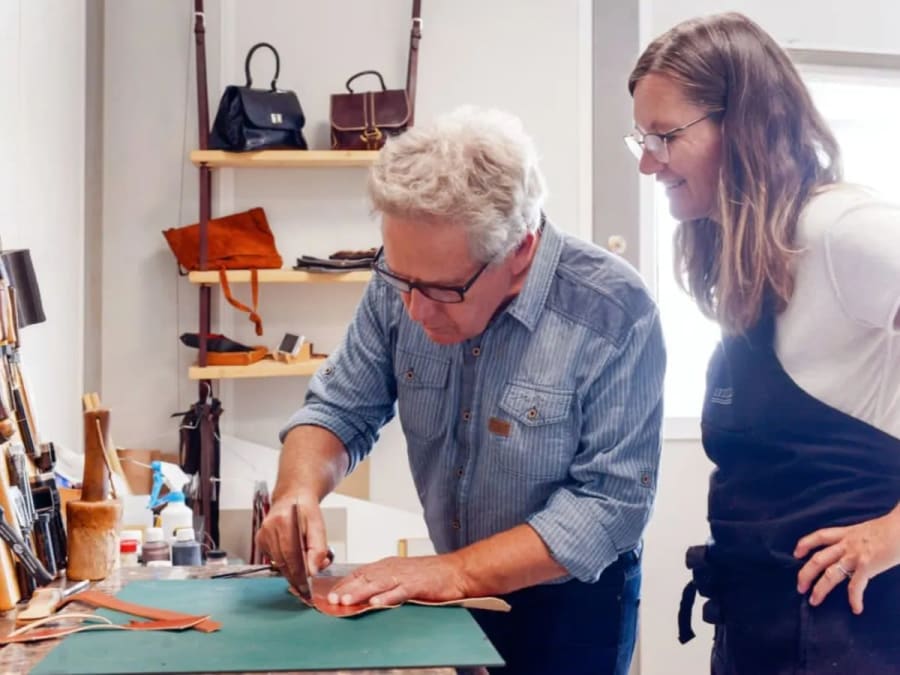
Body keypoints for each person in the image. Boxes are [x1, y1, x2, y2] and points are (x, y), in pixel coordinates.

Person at [256, 107, 665, 675]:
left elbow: (611, 504)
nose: (415, 310)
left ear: (519, 251)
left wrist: (453, 571)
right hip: (455, 588)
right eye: (403, 281)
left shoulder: (613, 311)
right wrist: (295, 493)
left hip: (572, 604)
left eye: (443, 290)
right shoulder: (403, 278)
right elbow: (340, 407)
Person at [626, 12, 900, 674]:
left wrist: (891, 534)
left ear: (743, 127)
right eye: (640, 137)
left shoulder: (842, 232)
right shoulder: (747, 255)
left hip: (851, 637)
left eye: (665, 136)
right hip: (760, 626)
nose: (648, 162)